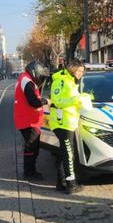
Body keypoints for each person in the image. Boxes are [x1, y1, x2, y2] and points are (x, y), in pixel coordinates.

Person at [49, 59, 91, 194]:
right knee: (68, 154)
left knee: (63, 153)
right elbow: (57, 101)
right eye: (79, 71)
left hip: (68, 122)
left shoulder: (71, 81)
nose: (81, 74)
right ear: (72, 69)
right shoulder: (61, 80)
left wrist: (84, 97)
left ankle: (61, 182)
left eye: (82, 72)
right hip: (63, 122)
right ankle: (71, 184)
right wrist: (77, 100)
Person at [13, 60, 51, 181]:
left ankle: (30, 171)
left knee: (32, 146)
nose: (41, 79)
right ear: (35, 72)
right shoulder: (27, 81)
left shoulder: (25, 78)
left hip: (28, 119)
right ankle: (29, 172)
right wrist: (46, 101)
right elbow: (33, 102)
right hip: (28, 120)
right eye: (40, 76)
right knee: (31, 147)